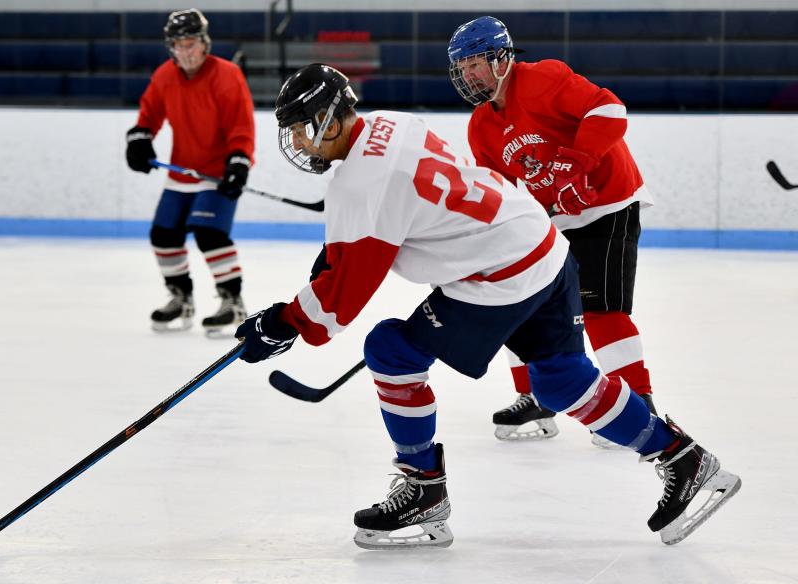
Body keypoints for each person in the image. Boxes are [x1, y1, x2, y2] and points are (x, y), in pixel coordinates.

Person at [235, 63, 740, 549]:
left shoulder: (357, 187)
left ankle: (423, 489)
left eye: (300, 129)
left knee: (391, 351)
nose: (298, 143)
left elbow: (335, 308)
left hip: (499, 275)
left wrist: (281, 323)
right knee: (561, 378)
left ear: (325, 118)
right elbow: (400, 210)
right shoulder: (394, 123)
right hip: (538, 242)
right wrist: (343, 249)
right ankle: (685, 459)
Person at [448, 16, 657, 445]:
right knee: (517, 302)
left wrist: (577, 163)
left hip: (610, 203)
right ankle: (538, 398)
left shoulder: (542, 78)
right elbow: (499, 191)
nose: (468, 75)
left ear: (501, 57)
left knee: (600, 310)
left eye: (474, 63)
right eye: (462, 67)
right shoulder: (481, 126)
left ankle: (639, 406)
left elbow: (609, 109)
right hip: (555, 216)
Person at [125, 8, 255, 335]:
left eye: (192, 43)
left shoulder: (226, 74)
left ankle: (232, 301)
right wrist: (140, 138)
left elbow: (241, 125)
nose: (186, 52)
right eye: (179, 45)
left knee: (209, 233)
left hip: (216, 173)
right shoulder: (164, 76)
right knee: (163, 234)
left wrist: (239, 160)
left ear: (205, 43)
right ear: (171, 48)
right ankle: (181, 298)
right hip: (182, 172)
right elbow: (149, 116)